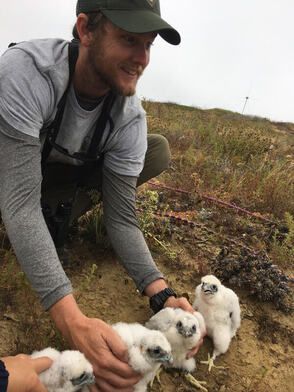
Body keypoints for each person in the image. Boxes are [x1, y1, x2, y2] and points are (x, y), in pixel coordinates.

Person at [0, 1, 203, 391]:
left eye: (149, 45)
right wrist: (73, 321)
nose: (141, 59)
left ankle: (52, 220)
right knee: (18, 211)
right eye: (129, 39)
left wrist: (161, 293)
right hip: (12, 167)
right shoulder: (29, 71)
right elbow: (21, 204)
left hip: (53, 176)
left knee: (154, 148)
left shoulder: (129, 117)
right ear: (86, 30)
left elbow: (122, 219)